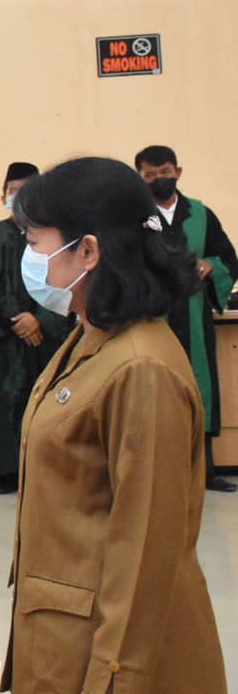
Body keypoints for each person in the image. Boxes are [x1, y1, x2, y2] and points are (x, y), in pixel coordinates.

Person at [2, 157, 225, 693]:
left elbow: (145, 552)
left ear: (88, 251)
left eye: (35, 242)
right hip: (66, 635)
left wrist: (113, 681)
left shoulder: (141, 369)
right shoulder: (92, 336)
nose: (29, 258)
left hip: (108, 653)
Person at [135, 144, 236, 492]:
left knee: (199, 388)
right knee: (156, 392)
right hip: (153, 317)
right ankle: (160, 474)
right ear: (140, 179)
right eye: (149, 175)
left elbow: (228, 259)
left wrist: (211, 265)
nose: (158, 179)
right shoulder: (137, 218)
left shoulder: (201, 214)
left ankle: (205, 471)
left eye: (164, 172)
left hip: (194, 314)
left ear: (178, 172)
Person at [0, 161, 70, 495]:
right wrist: (18, 320)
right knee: (5, 402)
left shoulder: (58, 237)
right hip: (7, 338)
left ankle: (51, 468)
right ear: (3, 197)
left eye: (27, 190)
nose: (19, 197)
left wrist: (40, 318)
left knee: (50, 401)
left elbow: (67, 282)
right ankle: (7, 471)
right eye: (13, 191)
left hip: (48, 336)